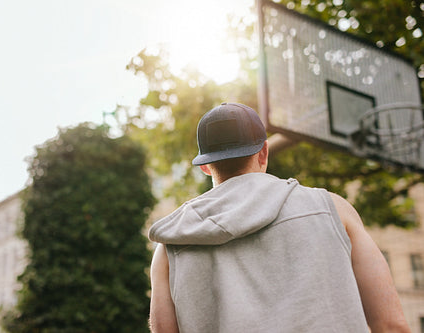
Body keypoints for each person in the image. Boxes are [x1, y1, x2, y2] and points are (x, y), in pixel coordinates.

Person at [148, 102, 410, 332]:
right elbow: (392, 326)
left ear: (205, 166)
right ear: (264, 152)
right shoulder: (332, 208)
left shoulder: (171, 242)